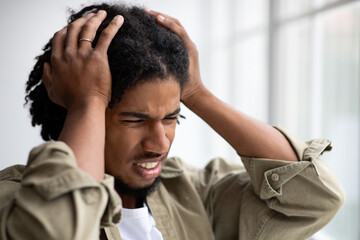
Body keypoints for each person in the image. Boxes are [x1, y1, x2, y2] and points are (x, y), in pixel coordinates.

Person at [0, 3, 345, 240]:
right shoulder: (12, 200)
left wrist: (196, 92)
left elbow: (317, 196)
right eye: (135, 119)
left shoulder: (194, 191)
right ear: (75, 110)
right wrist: (88, 100)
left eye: (171, 117)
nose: (160, 144)